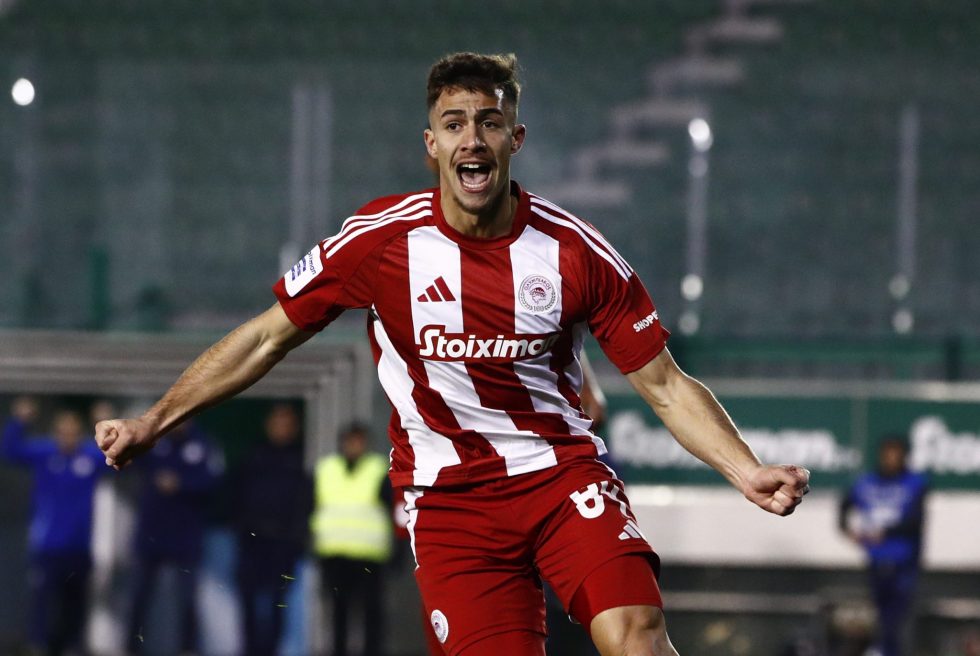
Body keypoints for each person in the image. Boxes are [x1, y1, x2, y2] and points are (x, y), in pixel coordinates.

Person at [94, 52, 811, 656]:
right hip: (450, 504)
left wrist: (745, 469)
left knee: (636, 634)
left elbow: (664, 383)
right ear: (431, 143)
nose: (473, 139)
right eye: (455, 123)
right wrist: (154, 420)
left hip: (561, 479)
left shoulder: (574, 251)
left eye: (490, 122)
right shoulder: (380, 242)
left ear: (515, 139)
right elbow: (264, 337)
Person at [1, 396, 105, 656]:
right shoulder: (45, 453)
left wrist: (106, 425)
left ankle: (73, 646)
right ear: (55, 433)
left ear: (79, 434)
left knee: (75, 602)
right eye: (62, 432)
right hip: (48, 545)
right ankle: (38, 644)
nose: (67, 437)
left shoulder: (88, 456)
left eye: (73, 432)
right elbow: (10, 450)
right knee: (42, 600)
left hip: (79, 545)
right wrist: (19, 421)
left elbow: (118, 458)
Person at [125, 421, 222, 655]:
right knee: (140, 594)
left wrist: (181, 483)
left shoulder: (203, 444)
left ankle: (188, 649)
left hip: (185, 536)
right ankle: (131, 648)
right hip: (151, 534)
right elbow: (127, 462)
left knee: (187, 597)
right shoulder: (152, 442)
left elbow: (213, 480)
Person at [231, 403, 313, 656]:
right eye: (277, 422)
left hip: (283, 544)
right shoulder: (253, 456)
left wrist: (295, 536)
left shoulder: (300, 460)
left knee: (278, 603)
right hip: (252, 542)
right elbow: (236, 496)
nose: (281, 428)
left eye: (287, 423)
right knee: (249, 601)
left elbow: (305, 503)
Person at [839, 435, 927, 656]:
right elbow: (844, 504)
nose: (891, 460)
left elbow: (915, 521)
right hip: (876, 561)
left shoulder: (914, 484)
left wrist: (885, 532)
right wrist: (848, 530)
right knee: (880, 615)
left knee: (897, 619)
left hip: (904, 563)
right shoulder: (867, 483)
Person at [312, 422, 393, 656]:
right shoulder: (326, 469)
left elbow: (394, 509)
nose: (354, 446)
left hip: (369, 555)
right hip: (334, 554)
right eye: (350, 440)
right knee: (339, 612)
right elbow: (310, 506)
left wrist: (397, 547)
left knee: (371, 613)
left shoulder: (379, 470)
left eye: (359, 441)